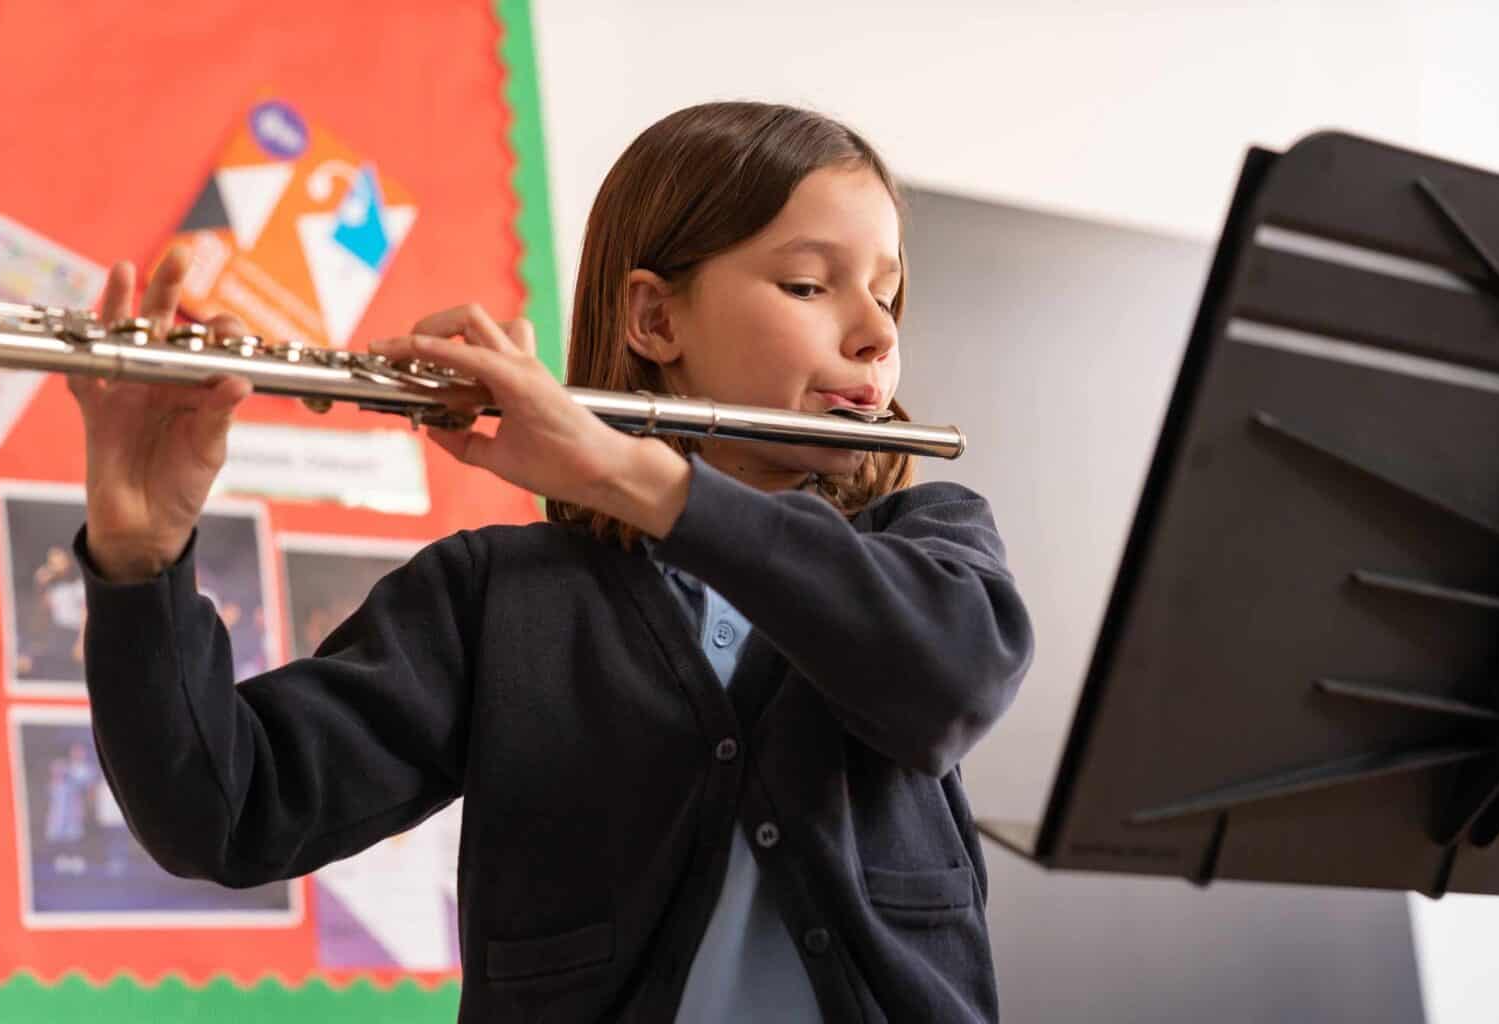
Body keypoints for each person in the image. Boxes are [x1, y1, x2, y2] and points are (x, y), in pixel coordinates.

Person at [70, 101, 1034, 1022]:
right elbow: (222, 812)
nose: (877, 332)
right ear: (655, 322)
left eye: (889, 291)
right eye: (809, 285)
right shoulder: (497, 600)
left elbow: (948, 677)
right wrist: (140, 555)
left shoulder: (929, 542)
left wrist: (636, 477)